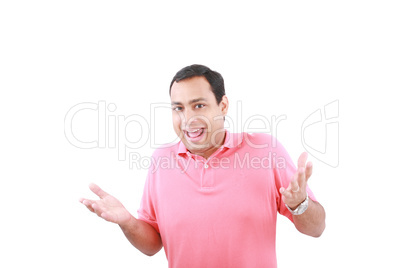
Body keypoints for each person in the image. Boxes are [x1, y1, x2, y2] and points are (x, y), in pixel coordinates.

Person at [80, 64, 326, 268]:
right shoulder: (161, 161)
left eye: (199, 105)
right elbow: (153, 245)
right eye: (179, 108)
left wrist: (299, 204)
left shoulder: (265, 149)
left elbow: (316, 229)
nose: (188, 119)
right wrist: (128, 222)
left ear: (223, 106)